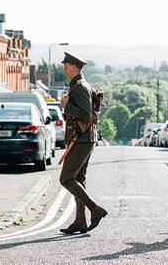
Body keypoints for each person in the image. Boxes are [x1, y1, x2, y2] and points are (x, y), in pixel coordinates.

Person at [59, 52, 108, 234]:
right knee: (78, 179)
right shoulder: (78, 85)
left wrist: (66, 105)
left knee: (66, 178)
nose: (64, 70)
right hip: (84, 138)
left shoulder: (79, 86)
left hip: (81, 139)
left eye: (65, 67)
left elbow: (86, 114)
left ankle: (95, 209)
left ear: (73, 67)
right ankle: (80, 221)